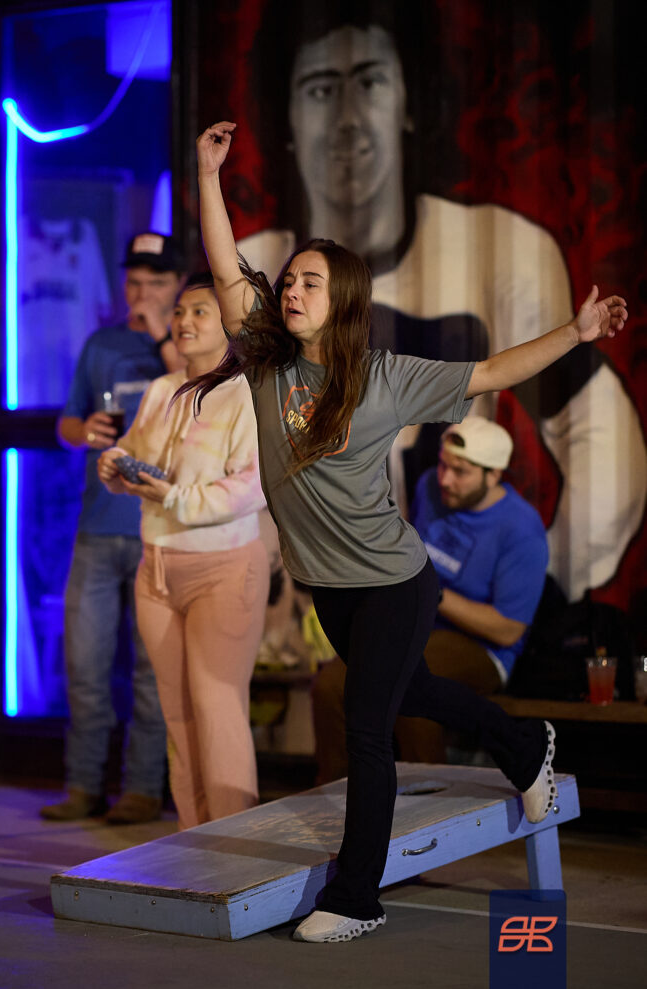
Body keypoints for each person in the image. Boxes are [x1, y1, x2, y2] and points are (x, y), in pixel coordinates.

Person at [189, 120, 627, 943]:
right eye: (288, 279)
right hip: (330, 587)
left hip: (393, 580)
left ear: (344, 300)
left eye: (310, 282)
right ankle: (521, 742)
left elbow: (491, 371)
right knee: (411, 692)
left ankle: (357, 896)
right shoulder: (269, 363)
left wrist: (575, 334)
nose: (291, 290)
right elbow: (222, 268)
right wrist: (208, 174)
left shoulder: (385, 378)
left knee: (368, 723)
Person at [234, 1, 646, 601]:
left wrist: (533, 591)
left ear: (409, 102)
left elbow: (602, 442)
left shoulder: (501, 252)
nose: (347, 119)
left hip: (400, 578)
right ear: (288, 120)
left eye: (370, 83)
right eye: (320, 89)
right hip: (305, 589)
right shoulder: (262, 274)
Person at [97, 273, 269, 829]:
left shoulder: (248, 392)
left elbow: (252, 487)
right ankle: (195, 841)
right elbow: (137, 453)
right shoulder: (161, 389)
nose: (183, 321)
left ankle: (238, 850)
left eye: (199, 311)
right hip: (157, 567)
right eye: (179, 312)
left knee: (218, 710)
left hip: (223, 568)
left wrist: (171, 496)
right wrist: (116, 466)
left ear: (229, 323)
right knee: (177, 714)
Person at [312, 416, 549, 783]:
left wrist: (431, 593)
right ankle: (338, 793)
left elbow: (508, 630)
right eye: (443, 464)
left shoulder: (521, 527)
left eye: (461, 471)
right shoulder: (429, 488)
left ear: (494, 475)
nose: (445, 479)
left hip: (481, 647)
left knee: (408, 681)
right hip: (417, 624)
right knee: (331, 683)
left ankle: (429, 797)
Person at [41, 233, 186, 825]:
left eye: (156, 282)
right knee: (86, 664)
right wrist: (83, 433)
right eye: (134, 282)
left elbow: (198, 393)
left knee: (152, 671)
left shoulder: (187, 344)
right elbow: (66, 423)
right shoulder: (101, 343)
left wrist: (161, 335)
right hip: (98, 527)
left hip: (160, 530)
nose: (142, 293)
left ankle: (144, 789)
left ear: (178, 286)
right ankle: (83, 786)